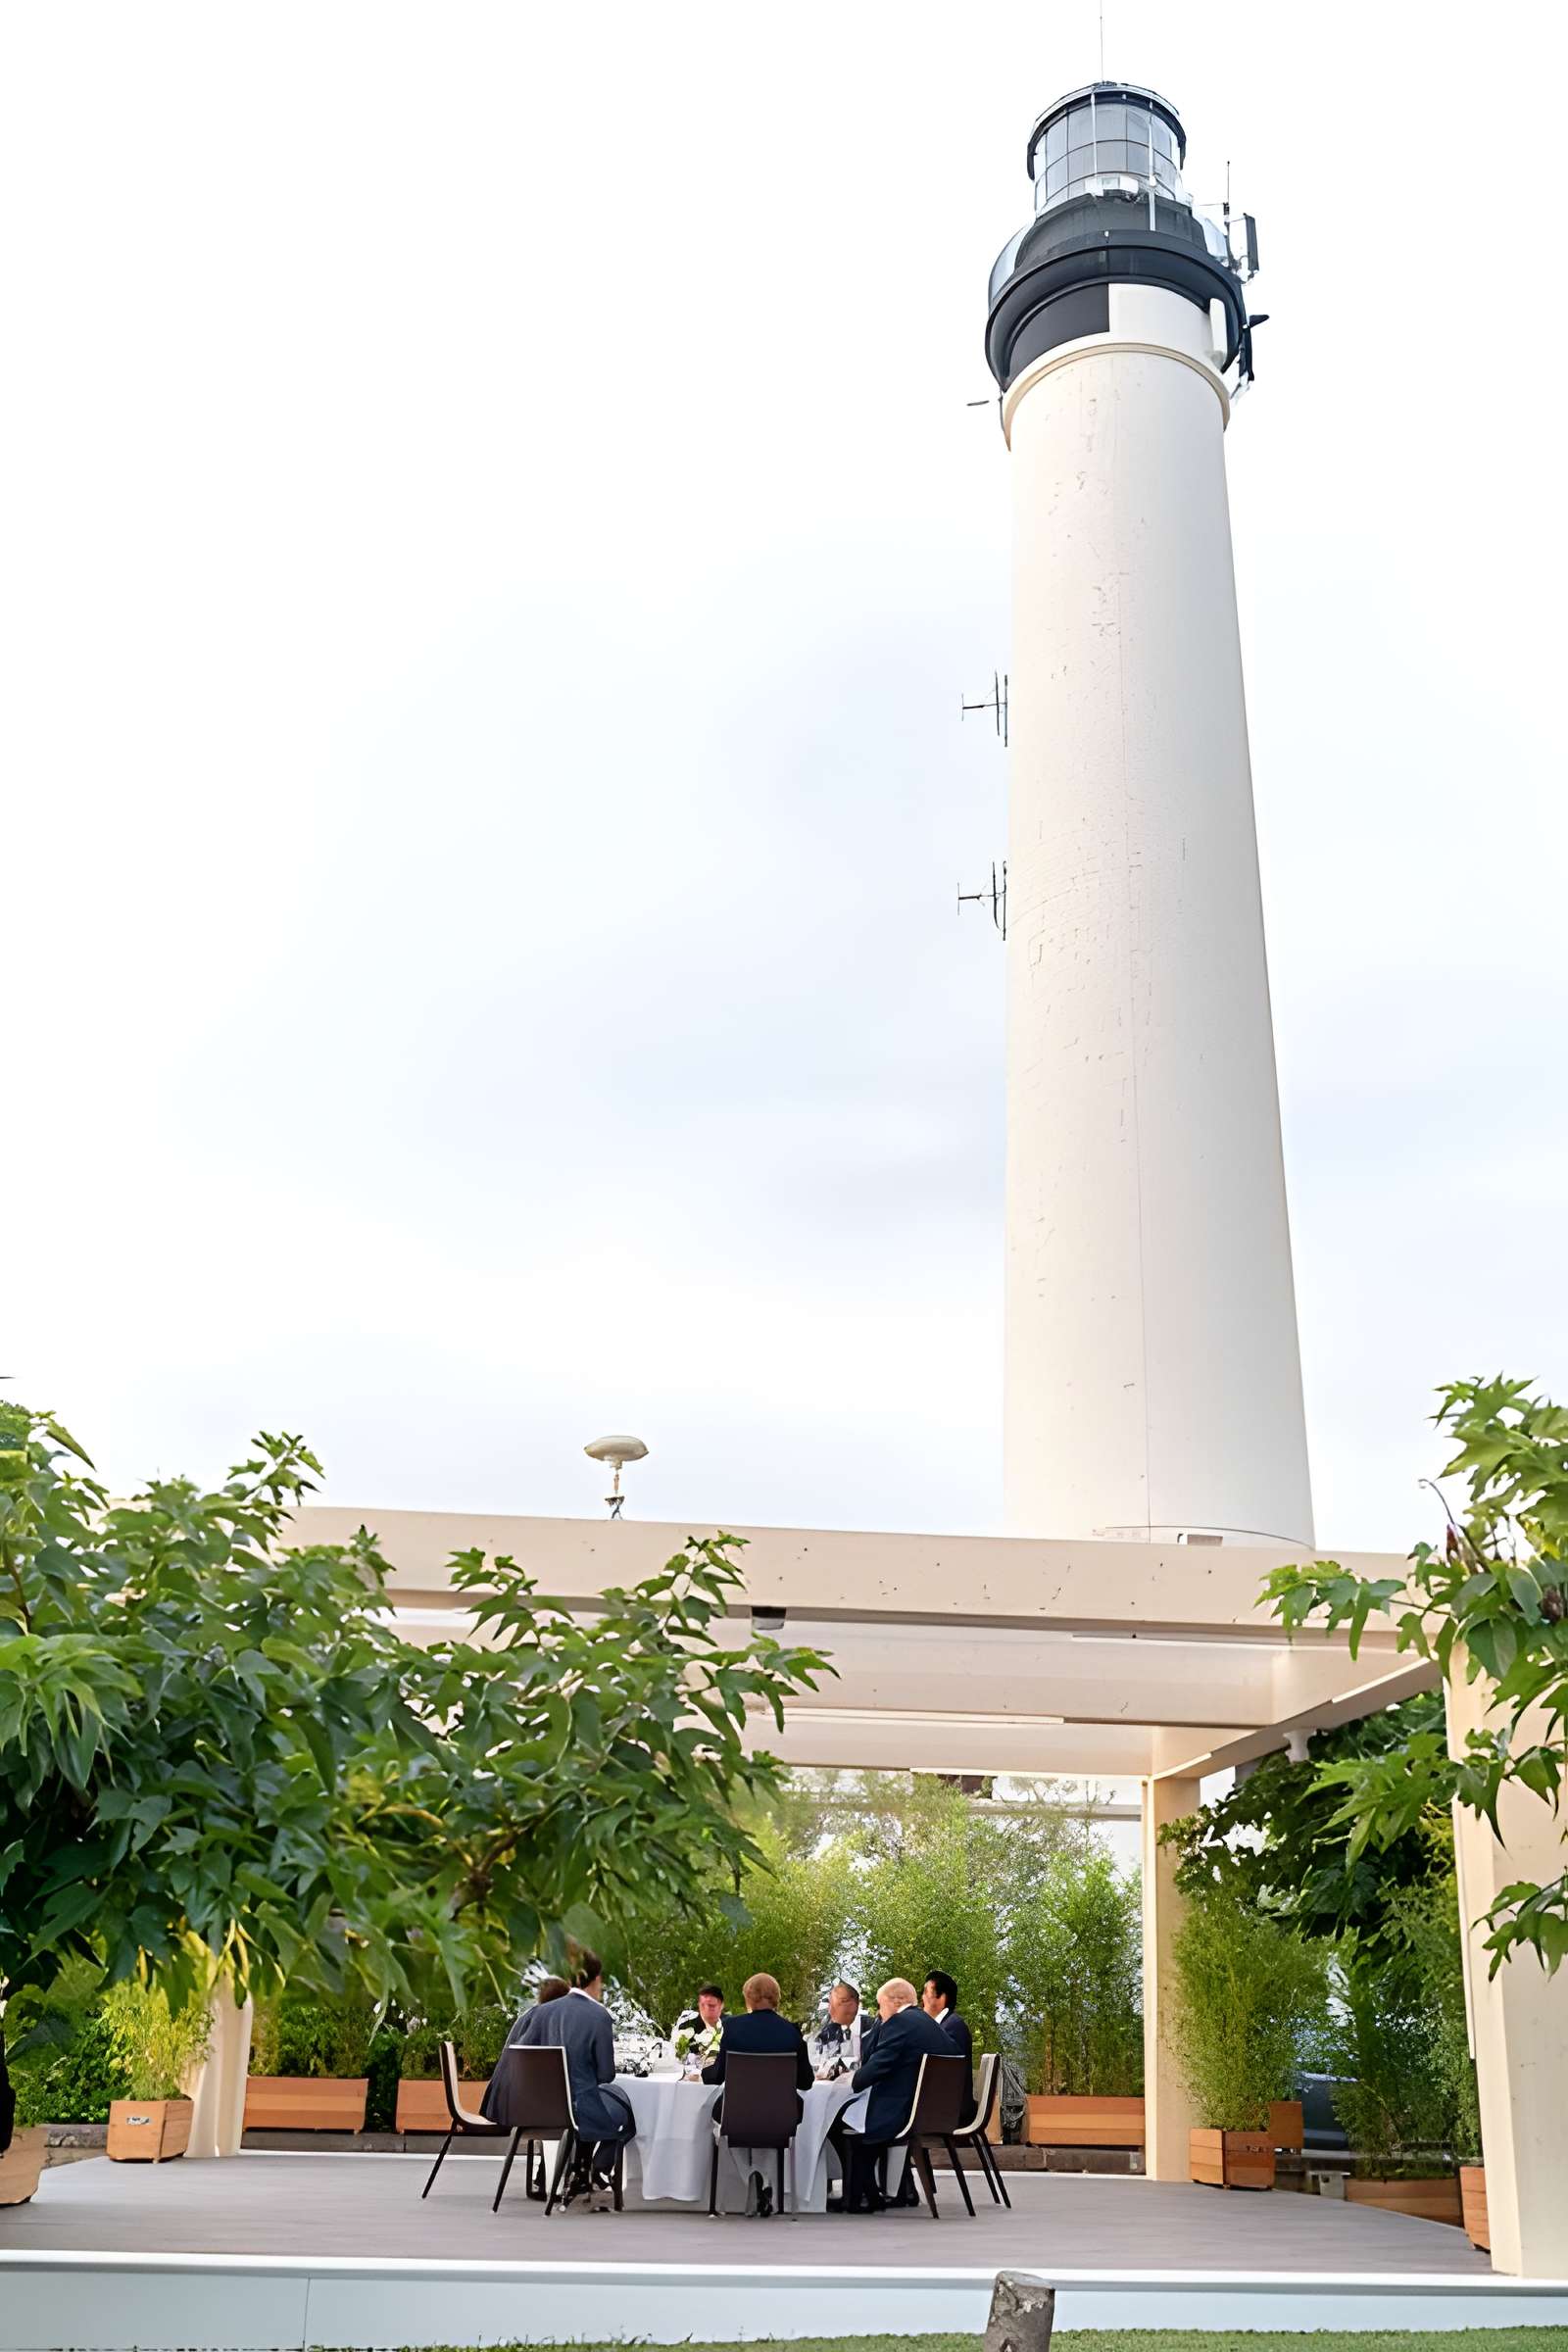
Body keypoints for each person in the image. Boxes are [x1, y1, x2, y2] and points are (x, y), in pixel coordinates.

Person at [502, 1949, 635, 2210]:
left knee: (596, 2104)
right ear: (596, 1980)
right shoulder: (599, 2016)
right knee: (627, 2114)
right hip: (579, 2111)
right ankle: (596, 2169)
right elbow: (606, 2075)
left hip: (539, 2108)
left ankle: (582, 2172)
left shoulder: (541, 2013)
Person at [830, 1978, 953, 2213]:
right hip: (931, 2111)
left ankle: (856, 2197)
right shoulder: (927, 2023)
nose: (878, 2012)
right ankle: (869, 2194)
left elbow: (877, 2067)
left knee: (838, 2117)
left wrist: (848, 2080)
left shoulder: (900, 2023)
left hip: (902, 2111)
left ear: (894, 2002)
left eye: (880, 2005)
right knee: (849, 2119)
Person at [702, 1970, 812, 2217]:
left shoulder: (733, 2028)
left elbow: (718, 2075)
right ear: (776, 1998)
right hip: (781, 2116)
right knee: (771, 2125)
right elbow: (806, 2082)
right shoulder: (791, 2032)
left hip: (737, 2113)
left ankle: (749, 2174)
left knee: (725, 2118)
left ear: (748, 1999)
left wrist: (702, 2072)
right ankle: (767, 2181)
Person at [921, 1970, 976, 2123]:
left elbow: (942, 2076)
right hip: (945, 2105)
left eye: (926, 1993)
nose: (922, 1998)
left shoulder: (952, 2027)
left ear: (942, 1997)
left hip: (951, 2111)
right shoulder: (946, 2025)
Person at [807, 1981, 864, 2079]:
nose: (830, 2009)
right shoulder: (827, 2031)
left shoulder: (871, 2029)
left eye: (838, 2004)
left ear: (854, 2005)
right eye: (830, 2004)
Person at [669, 1982, 725, 2070]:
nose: (706, 2010)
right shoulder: (686, 2028)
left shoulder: (731, 2026)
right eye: (703, 2005)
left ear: (721, 2005)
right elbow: (678, 2059)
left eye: (711, 2006)